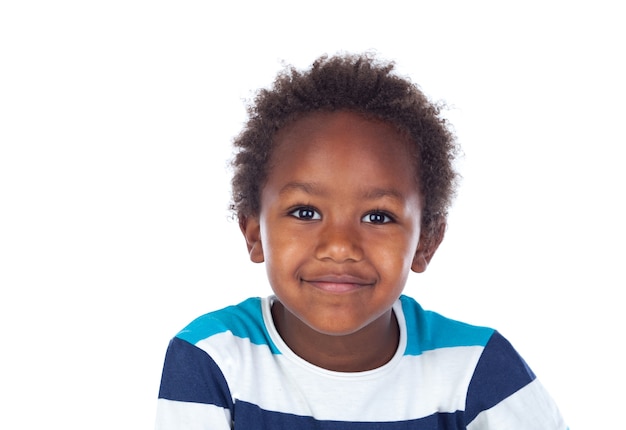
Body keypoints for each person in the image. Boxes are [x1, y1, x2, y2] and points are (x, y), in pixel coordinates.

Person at [155, 53, 567, 429]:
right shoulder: (213, 358)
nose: (340, 246)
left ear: (426, 242)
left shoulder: (478, 370)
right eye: (305, 212)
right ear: (254, 233)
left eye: (378, 217)